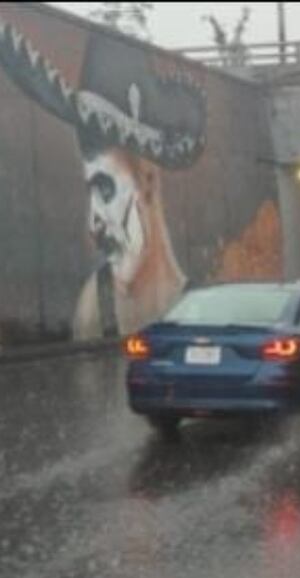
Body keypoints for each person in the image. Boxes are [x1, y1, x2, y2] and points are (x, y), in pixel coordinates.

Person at [0, 17, 206, 338]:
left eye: (105, 190)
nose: (94, 225)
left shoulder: (201, 306)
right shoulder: (96, 302)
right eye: (91, 193)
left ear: (148, 181)